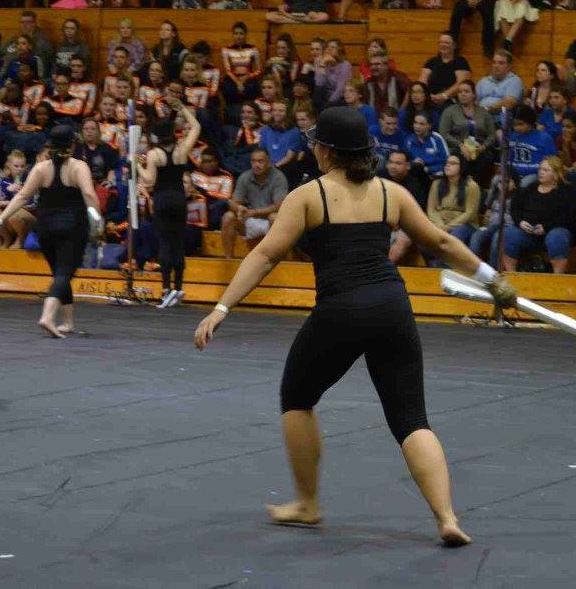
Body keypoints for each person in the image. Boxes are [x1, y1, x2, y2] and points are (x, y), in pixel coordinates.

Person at [193, 106, 516, 547]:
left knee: (297, 398)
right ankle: (447, 517)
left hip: (341, 311)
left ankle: (307, 504)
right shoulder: (390, 192)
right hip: (392, 308)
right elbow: (440, 241)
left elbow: (266, 255)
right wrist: (493, 280)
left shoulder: (308, 196)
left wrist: (221, 308)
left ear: (325, 151)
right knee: (411, 419)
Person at [0, 124, 101, 337]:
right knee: (64, 273)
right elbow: (89, 194)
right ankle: (48, 316)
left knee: (60, 274)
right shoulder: (79, 167)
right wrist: (97, 219)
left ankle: (67, 322)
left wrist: (1, 218)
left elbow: (23, 196)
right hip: (72, 226)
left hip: (46, 227)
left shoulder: (41, 168)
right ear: (73, 144)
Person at [137, 97, 202, 310]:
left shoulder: (154, 154)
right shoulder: (182, 149)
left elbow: (149, 181)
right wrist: (182, 108)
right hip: (179, 198)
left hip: (162, 199)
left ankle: (166, 289)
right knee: (178, 242)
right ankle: (179, 287)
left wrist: (136, 165)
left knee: (165, 242)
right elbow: (196, 127)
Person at [497, 155, 576, 273]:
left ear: (556, 174)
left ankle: (558, 276)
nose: (541, 172)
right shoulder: (531, 188)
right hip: (529, 232)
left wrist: (546, 227)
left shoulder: (567, 190)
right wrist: (520, 222)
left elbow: (569, 216)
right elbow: (515, 208)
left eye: (545, 170)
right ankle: (511, 274)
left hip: (554, 230)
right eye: (540, 169)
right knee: (509, 233)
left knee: (557, 236)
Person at [224, 148, 288, 253]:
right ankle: (228, 259)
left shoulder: (279, 177)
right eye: (253, 161)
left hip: (268, 220)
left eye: (260, 161)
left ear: (268, 163)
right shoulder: (245, 177)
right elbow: (235, 202)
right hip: (249, 218)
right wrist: (238, 208)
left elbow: (279, 205)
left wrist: (255, 212)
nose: (256, 165)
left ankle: (277, 258)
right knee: (228, 216)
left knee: (275, 217)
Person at [426, 153, 481, 247]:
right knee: (422, 234)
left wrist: (449, 226)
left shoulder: (471, 186)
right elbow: (431, 209)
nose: (447, 165)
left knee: (455, 236)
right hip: (441, 222)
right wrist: (440, 225)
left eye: (452, 163)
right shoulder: (436, 183)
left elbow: (470, 213)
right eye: (447, 163)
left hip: (464, 224)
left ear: (461, 167)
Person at [420, 32, 472, 106]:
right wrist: (429, 96)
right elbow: (422, 81)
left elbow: (461, 83)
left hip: (451, 102)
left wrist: (444, 96)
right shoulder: (431, 61)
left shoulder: (460, 62)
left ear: (454, 45)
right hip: (430, 100)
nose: (443, 45)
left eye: (446, 43)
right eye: (441, 42)